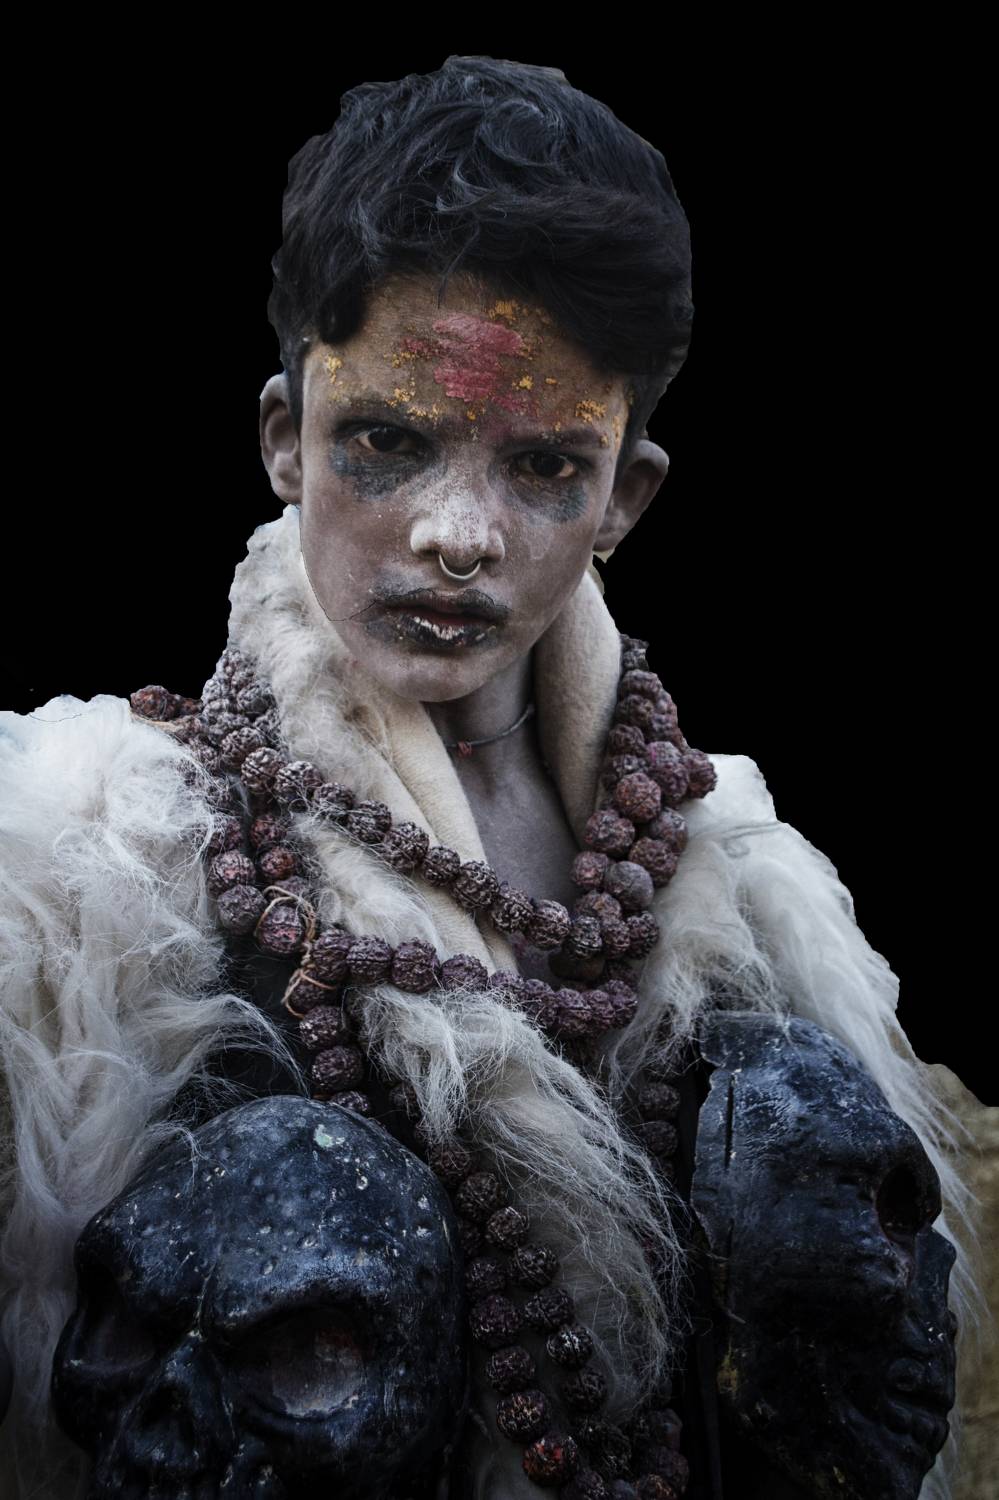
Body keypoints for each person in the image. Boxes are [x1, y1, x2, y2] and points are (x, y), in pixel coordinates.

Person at [0, 56, 974, 1499]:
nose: (458, 535)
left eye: (545, 469)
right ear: (284, 438)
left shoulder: (736, 874)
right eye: (388, 442)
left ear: (627, 494)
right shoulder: (85, 877)